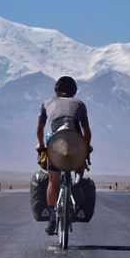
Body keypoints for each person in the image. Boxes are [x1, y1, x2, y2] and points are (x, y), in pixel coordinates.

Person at [35, 76, 92, 235]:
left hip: (56, 142)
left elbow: (40, 129)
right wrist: (86, 148)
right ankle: (77, 181)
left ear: (56, 91)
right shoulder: (80, 104)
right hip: (75, 140)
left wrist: (40, 144)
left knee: (53, 181)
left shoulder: (47, 102)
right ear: (74, 92)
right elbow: (87, 132)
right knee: (81, 163)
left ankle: (53, 216)